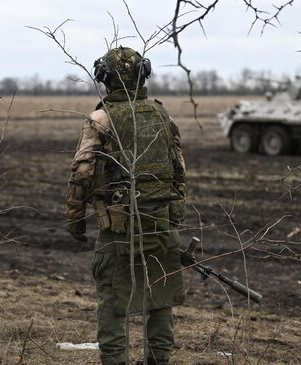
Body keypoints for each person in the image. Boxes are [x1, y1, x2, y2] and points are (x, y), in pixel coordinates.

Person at [66, 46, 187, 365]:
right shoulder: (162, 114)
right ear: (142, 75)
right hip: (160, 225)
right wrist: (174, 215)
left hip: (118, 231)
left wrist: (75, 217)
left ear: (105, 79)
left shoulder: (100, 119)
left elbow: (82, 172)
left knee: (113, 304)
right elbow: (179, 169)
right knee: (160, 301)